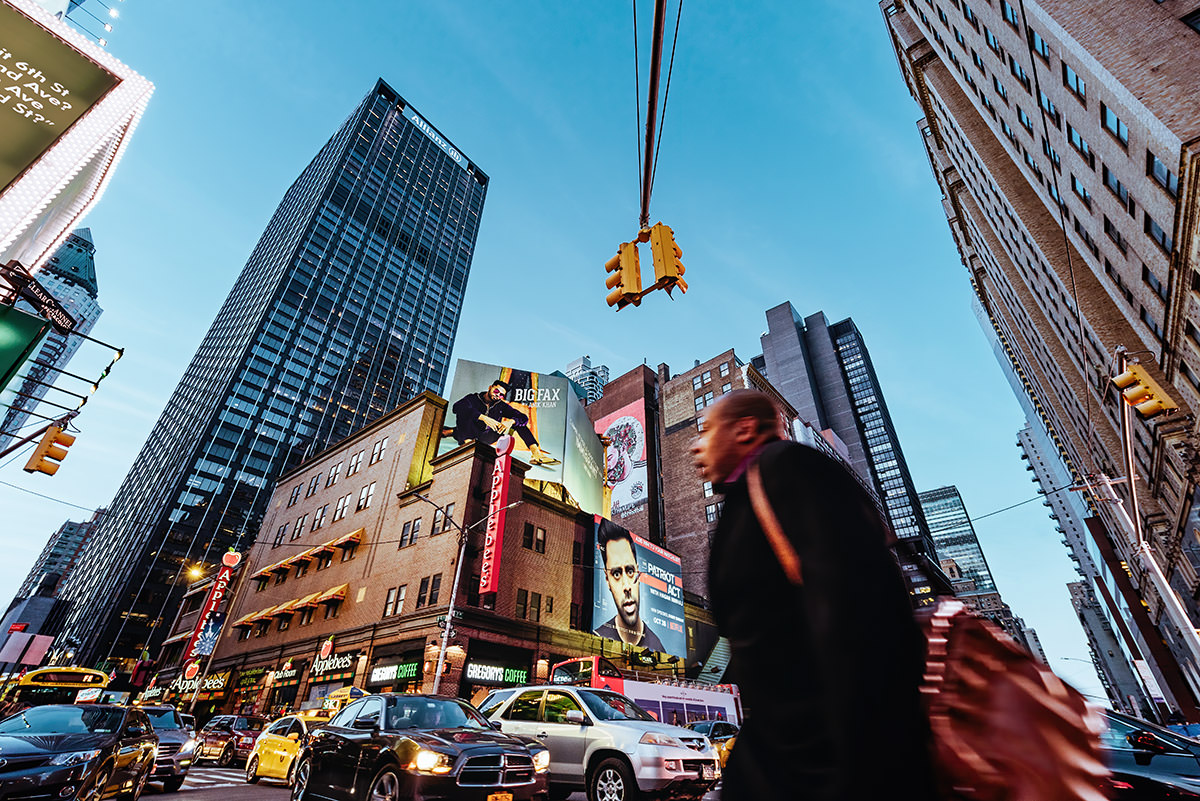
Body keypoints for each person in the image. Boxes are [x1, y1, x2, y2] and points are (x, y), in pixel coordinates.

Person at [691, 390, 934, 801]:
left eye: (707, 430)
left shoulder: (788, 468)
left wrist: (859, 749)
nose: (697, 445)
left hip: (837, 750)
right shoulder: (743, 499)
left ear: (745, 429)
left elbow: (861, 602)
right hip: (783, 745)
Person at [593, 519, 666, 651]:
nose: (626, 586)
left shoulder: (658, 647)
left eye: (630, 571)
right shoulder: (597, 638)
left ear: (638, 574)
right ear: (607, 580)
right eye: (616, 574)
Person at [449, 379, 559, 465]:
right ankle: (461, 438)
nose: (498, 395)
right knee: (465, 412)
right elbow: (456, 407)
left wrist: (511, 422)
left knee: (518, 422)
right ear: (490, 388)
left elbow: (524, 418)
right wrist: (483, 417)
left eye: (501, 395)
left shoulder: (501, 405)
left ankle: (536, 454)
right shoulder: (473, 398)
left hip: (487, 437)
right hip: (469, 434)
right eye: (496, 391)